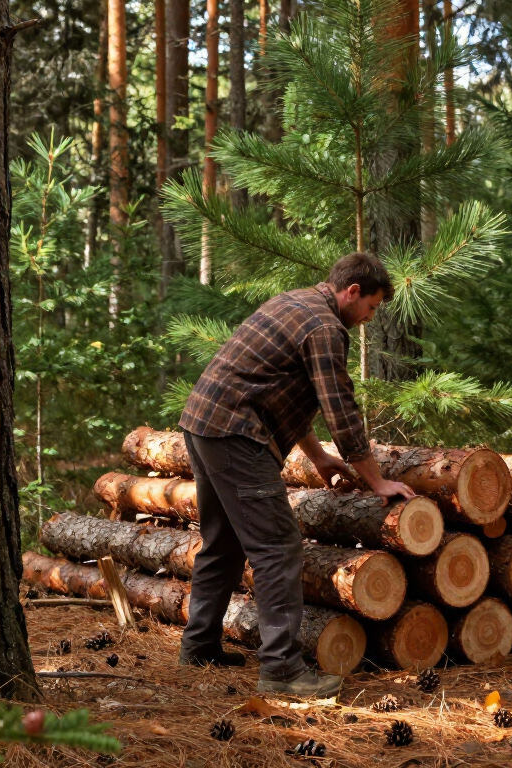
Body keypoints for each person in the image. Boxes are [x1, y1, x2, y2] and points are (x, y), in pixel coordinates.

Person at [175, 253, 414, 695]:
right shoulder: (325, 327)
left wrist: (318, 456)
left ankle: (199, 647)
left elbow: (283, 391)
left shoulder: (295, 303)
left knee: (223, 543)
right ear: (353, 292)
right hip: (235, 433)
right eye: (372, 307)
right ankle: (282, 671)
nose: (370, 317)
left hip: (204, 424)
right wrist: (378, 481)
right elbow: (340, 409)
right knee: (278, 548)